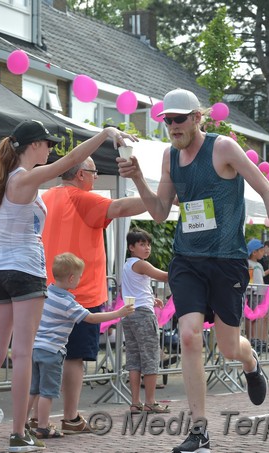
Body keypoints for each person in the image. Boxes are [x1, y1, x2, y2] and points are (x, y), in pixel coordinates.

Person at [118, 88, 269, 452]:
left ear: (198, 117)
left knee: (229, 346)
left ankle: (250, 360)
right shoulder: (170, 157)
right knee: (189, 335)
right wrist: (138, 177)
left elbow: (268, 192)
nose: (172, 126)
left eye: (179, 119)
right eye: (167, 120)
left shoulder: (224, 148)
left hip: (227, 260)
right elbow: (160, 212)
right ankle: (199, 430)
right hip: (187, 259)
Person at [0, 120, 135, 452]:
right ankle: (18, 434)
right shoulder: (25, 178)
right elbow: (68, 163)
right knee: (22, 354)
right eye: (47, 144)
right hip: (25, 272)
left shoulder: (2, 183)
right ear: (33, 145)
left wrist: (5, 256)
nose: (51, 149)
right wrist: (106, 133)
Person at [40, 156, 146, 434]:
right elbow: (120, 207)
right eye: (94, 172)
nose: (96, 177)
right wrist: (161, 198)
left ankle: (34, 419)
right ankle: (71, 417)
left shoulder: (46, 196)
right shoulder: (82, 198)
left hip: (45, 292)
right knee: (74, 359)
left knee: (40, 357)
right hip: (81, 294)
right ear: (80, 174)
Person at [27, 253, 134, 438]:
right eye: (79, 276)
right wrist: (119, 313)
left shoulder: (46, 293)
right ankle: (43, 427)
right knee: (47, 392)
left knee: (33, 390)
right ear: (71, 278)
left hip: (36, 348)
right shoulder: (68, 302)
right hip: (52, 351)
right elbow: (91, 318)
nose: (79, 279)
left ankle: (22, 423)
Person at [121, 228, 170, 415]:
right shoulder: (141, 264)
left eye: (148, 244)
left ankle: (135, 403)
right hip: (142, 315)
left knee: (134, 358)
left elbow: (136, 288)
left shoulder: (127, 265)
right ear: (131, 247)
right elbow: (164, 276)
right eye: (142, 244)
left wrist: (152, 299)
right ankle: (150, 401)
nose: (147, 248)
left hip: (129, 313)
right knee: (150, 357)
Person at [245, 238, 269, 354]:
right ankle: (251, 339)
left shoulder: (259, 265)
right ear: (254, 252)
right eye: (260, 250)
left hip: (260, 293)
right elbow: (250, 279)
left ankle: (256, 339)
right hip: (253, 293)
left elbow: (262, 275)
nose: (262, 253)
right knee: (251, 317)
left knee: (259, 317)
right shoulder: (249, 264)